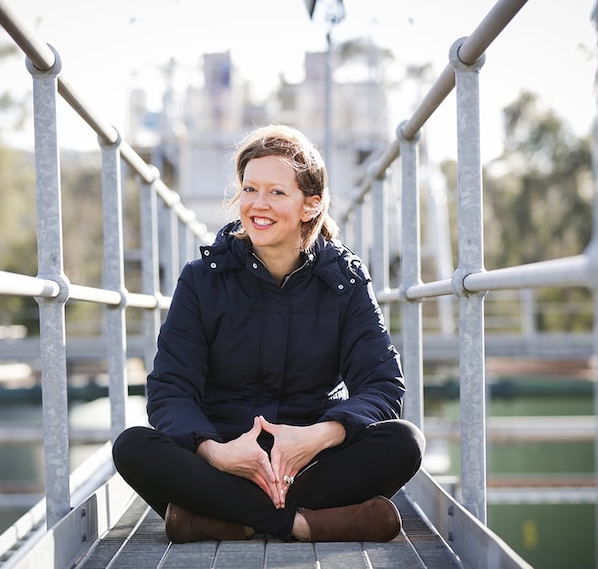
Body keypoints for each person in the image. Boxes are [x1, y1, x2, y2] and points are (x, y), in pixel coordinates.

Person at [112, 124, 425, 543]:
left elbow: (383, 387)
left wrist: (317, 437)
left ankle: (229, 520)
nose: (258, 205)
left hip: (311, 464)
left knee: (405, 442)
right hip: (223, 458)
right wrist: (216, 452)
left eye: (277, 192)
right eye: (249, 189)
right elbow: (170, 390)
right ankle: (302, 524)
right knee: (133, 446)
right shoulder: (202, 280)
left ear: (310, 205)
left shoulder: (345, 281)